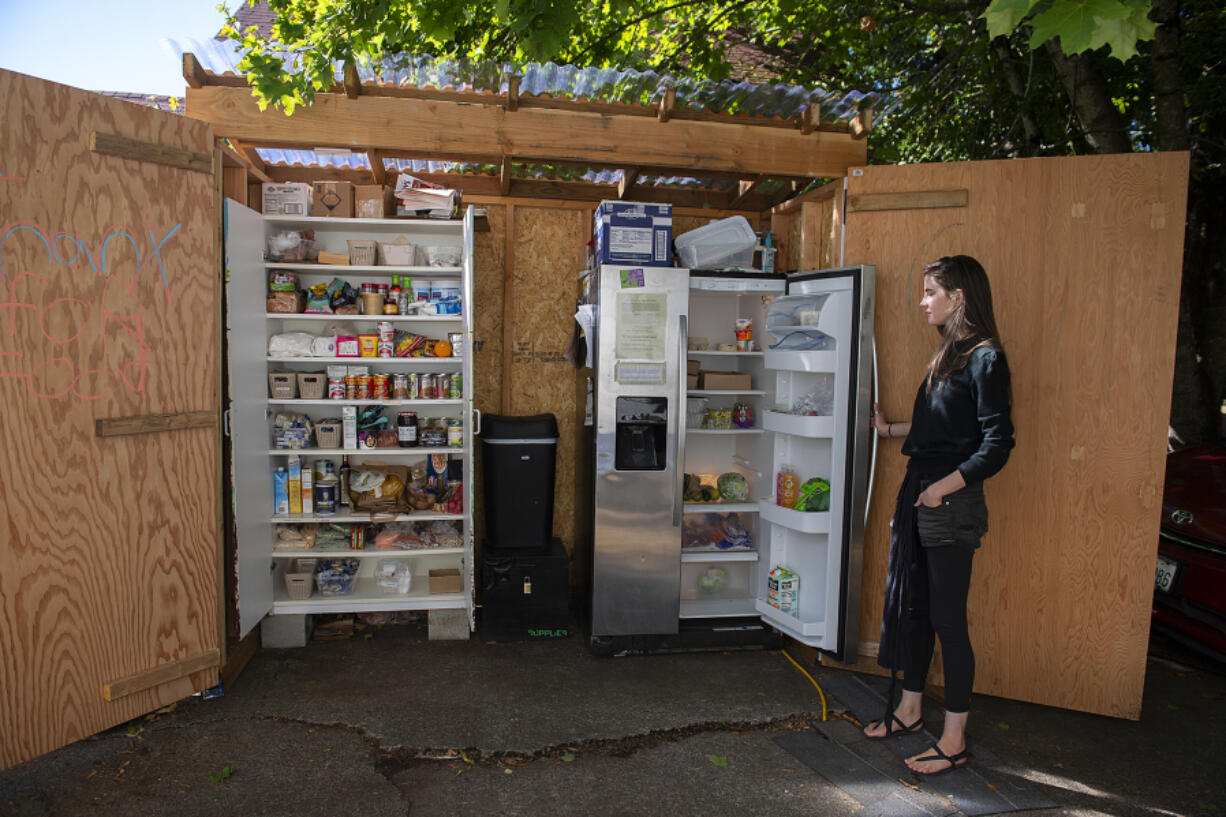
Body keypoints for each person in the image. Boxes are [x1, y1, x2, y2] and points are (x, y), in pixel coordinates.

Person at [862, 254, 1014, 776]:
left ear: (959, 297)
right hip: (921, 490)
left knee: (948, 619)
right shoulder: (948, 354)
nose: (924, 302)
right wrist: (891, 431)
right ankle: (908, 711)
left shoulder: (986, 359)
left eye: (932, 292)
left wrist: (939, 491)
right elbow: (946, 433)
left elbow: (996, 446)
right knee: (916, 609)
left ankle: (954, 740)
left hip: (948, 501)